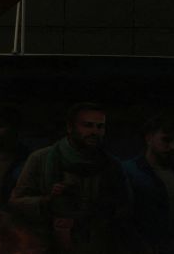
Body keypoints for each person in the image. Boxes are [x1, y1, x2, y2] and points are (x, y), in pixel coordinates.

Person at [9, 102, 131, 253]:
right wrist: (48, 200)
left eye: (100, 126)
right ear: (70, 127)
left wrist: (99, 209)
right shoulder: (41, 159)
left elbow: (125, 206)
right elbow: (16, 202)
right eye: (88, 125)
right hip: (50, 244)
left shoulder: (111, 165)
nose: (95, 131)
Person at [123, 115, 174, 254]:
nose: (172, 147)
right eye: (166, 140)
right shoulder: (128, 172)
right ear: (149, 138)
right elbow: (124, 221)